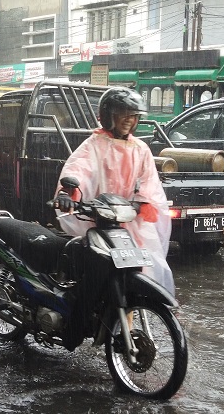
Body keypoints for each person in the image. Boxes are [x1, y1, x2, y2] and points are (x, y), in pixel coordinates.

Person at [53, 87, 175, 296]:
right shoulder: (95, 144)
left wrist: (140, 202)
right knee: (93, 275)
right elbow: (78, 168)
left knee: (135, 279)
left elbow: (149, 182)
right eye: (123, 113)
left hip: (129, 222)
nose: (129, 119)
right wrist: (67, 192)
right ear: (109, 115)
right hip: (98, 219)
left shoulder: (140, 149)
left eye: (133, 115)